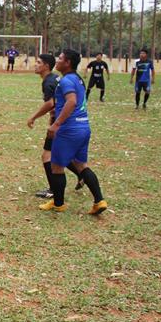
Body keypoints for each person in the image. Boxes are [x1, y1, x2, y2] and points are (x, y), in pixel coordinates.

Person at [39, 49, 107, 215]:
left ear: (68, 62)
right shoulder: (78, 79)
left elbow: (71, 102)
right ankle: (99, 201)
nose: (58, 61)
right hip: (84, 126)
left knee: (56, 166)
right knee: (81, 166)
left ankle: (58, 203)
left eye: (60, 58)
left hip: (69, 129)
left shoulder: (66, 81)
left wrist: (56, 124)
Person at [27, 54, 84, 199]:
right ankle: (82, 175)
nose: (35, 64)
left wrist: (34, 117)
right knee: (61, 154)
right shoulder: (54, 78)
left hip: (60, 124)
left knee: (47, 156)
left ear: (46, 66)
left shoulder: (48, 82)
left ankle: (53, 190)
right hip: (66, 122)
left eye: (38, 62)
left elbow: (50, 103)